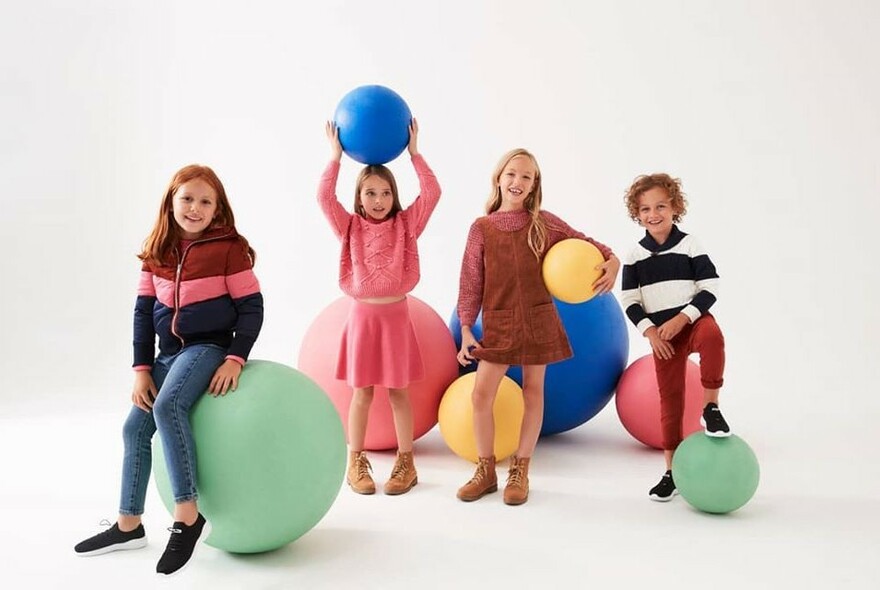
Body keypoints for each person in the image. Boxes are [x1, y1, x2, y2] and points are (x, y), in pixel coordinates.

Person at [73, 164, 264, 575]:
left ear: (218, 209)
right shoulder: (157, 250)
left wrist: (235, 357)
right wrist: (142, 368)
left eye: (205, 201)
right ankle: (128, 524)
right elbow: (143, 312)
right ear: (171, 202)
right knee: (134, 428)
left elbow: (252, 308)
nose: (195, 207)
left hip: (208, 347)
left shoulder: (229, 249)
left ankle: (187, 515)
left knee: (168, 407)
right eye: (187, 199)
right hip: (166, 355)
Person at [455, 148, 619, 506]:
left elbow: (592, 245)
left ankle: (521, 470)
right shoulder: (481, 228)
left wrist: (614, 260)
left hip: (537, 319)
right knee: (481, 395)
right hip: (498, 323)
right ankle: (486, 471)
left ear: (534, 185)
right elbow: (470, 282)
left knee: (533, 393)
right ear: (499, 178)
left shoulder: (545, 222)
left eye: (526, 177)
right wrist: (467, 328)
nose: (518, 182)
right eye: (512, 174)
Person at [318, 119, 440, 496]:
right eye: (370, 193)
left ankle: (407, 461)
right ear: (359, 198)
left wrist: (415, 153)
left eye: (385, 192)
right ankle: (355, 460)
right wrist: (335, 157)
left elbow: (432, 192)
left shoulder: (407, 224)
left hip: (395, 318)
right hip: (363, 320)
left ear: (394, 195)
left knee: (398, 393)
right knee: (363, 393)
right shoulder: (349, 227)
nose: (378, 200)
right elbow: (324, 197)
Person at [620, 173, 730, 502]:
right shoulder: (634, 255)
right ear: (637, 214)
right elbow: (630, 300)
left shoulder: (689, 244)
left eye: (661, 207)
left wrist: (684, 317)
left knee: (713, 337)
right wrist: (651, 333)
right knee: (670, 400)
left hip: (691, 321)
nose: (653, 214)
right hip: (663, 337)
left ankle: (711, 409)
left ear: (675, 207)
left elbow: (710, 287)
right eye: (645, 209)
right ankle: (672, 472)